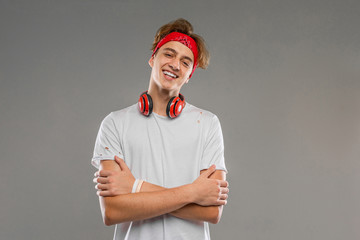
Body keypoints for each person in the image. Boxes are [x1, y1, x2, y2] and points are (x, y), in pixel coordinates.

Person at [91, 18, 229, 240]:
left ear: (190, 74)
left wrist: (134, 187)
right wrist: (194, 192)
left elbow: (212, 212)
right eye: (169, 54)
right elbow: (112, 211)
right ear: (152, 58)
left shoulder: (207, 123)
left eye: (186, 62)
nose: (175, 65)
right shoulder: (115, 123)